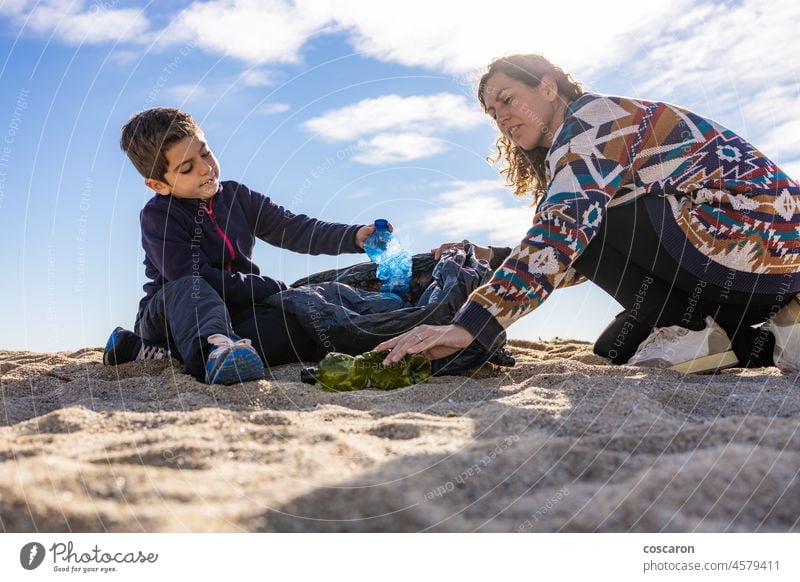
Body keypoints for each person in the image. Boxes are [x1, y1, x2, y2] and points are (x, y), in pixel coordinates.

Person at [378, 54, 800, 374]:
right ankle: (776, 333)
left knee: (581, 222)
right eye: (493, 112)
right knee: (614, 346)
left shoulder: (591, 122)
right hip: (749, 256)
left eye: (507, 99)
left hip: (751, 237)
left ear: (547, 87)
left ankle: (709, 325)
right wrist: (490, 256)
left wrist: (471, 324)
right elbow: (581, 256)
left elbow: (566, 233)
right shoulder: (587, 143)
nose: (501, 117)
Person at [105, 107, 377, 384]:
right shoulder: (159, 217)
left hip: (236, 311)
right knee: (192, 286)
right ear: (158, 185)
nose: (205, 168)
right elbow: (199, 278)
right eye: (186, 168)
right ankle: (213, 353)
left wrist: (354, 236)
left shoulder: (238, 197)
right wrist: (271, 287)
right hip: (173, 315)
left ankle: (174, 352)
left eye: (205, 152)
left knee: (297, 326)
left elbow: (294, 228)